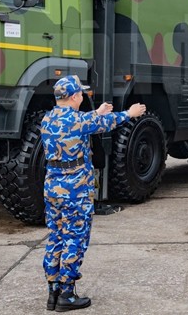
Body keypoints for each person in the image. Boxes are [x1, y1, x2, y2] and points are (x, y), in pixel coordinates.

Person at [41, 75, 146, 311]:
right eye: (81, 94)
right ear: (76, 96)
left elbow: (84, 122)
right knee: (75, 238)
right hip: (75, 188)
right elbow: (107, 123)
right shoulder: (79, 121)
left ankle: (53, 292)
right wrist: (131, 113)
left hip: (52, 187)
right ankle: (67, 295)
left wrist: (97, 112)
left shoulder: (47, 119)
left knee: (56, 236)